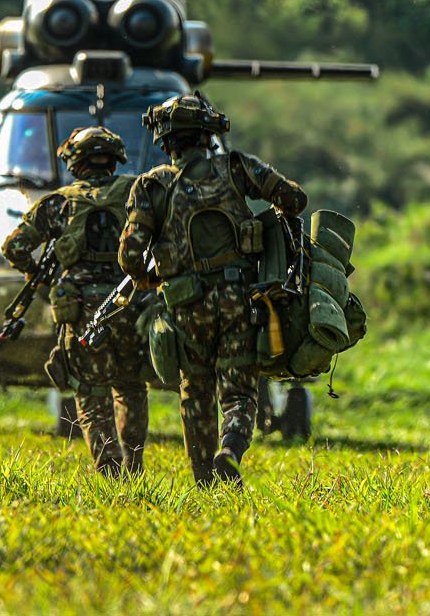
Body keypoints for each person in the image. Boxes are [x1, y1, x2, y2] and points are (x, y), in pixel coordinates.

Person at [118, 94, 307, 486]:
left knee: (195, 389)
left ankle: (205, 478)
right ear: (208, 135)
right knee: (239, 388)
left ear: (164, 141)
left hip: (186, 305)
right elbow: (295, 200)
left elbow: (130, 256)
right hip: (240, 299)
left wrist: (149, 278)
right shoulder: (237, 167)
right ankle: (231, 449)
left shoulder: (151, 186)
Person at [2, 127, 149, 477]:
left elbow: (15, 247)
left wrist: (46, 278)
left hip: (82, 310)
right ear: (114, 161)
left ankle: (111, 474)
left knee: (91, 393)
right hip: (128, 303)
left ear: (74, 163)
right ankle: (135, 467)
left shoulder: (58, 203)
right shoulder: (135, 193)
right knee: (130, 386)